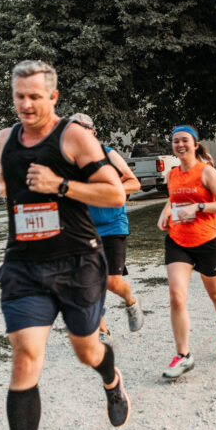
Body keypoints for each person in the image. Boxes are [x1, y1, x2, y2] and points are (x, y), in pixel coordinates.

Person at [0, 61, 130, 430]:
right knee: (25, 358)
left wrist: (63, 184)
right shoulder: (5, 139)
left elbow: (116, 193)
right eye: (19, 96)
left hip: (78, 263)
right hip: (24, 266)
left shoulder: (74, 137)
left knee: (87, 351)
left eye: (34, 97)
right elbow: (9, 183)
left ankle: (111, 378)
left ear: (53, 97)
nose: (25, 104)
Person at [156, 125, 216, 379]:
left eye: (184, 141)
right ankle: (183, 355)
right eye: (175, 141)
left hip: (206, 242)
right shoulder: (172, 174)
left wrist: (199, 207)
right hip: (178, 241)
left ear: (195, 144)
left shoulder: (206, 172)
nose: (180, 145)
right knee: (177, 296)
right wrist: (165, 212)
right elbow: (174, 198)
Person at [68, 114, 145, 344]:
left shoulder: (107, 153)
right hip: (83, 229)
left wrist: (107, 190)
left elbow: (134, 182)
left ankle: (131, 301)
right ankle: (103, 332)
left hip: (112, 225)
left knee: (112, 282)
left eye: (79, 130)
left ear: (91, 131)